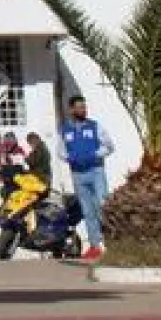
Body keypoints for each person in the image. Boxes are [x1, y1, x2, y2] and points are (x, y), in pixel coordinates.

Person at [57, 94, 115, 260]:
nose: (83, 110)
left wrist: (95, 154)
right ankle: (95, 246)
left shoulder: (95, 126)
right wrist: (69, 157)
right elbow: (60, 151)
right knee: (87, 210)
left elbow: (109, 146)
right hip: (77, 174)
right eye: (80, 107)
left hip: (96, 171)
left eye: (84, 107)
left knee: (102, 206)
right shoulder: (65, 130)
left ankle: (111, 243)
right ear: (71, 109)